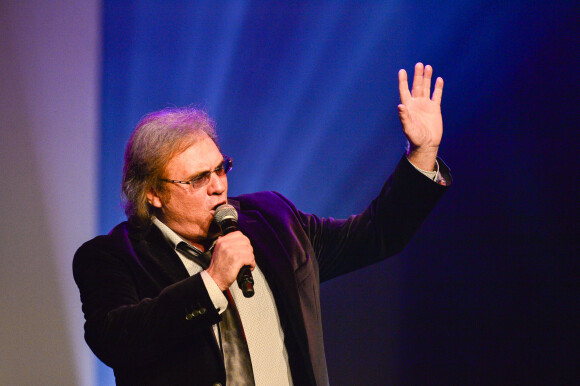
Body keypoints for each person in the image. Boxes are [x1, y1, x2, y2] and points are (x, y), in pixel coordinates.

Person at [73, 63, 451, 385]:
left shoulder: (273, 220)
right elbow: (117, 342)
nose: (218, 186)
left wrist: (423, 153)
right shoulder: (111, 258)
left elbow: (376, 234)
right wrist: (212, 283)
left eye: (221, 169)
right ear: (153, 193)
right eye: (197, 179)